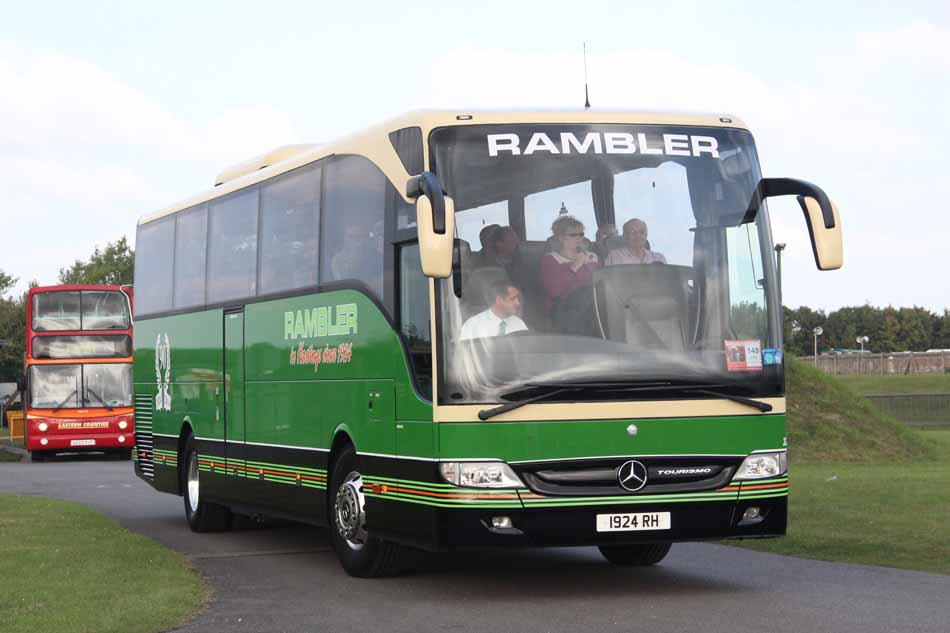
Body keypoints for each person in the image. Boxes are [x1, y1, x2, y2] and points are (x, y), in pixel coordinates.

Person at [540, 215, 600, 312]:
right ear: (561, 238)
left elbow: (601, 284)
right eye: (573, 235)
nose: (579, 238)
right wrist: (576, 265)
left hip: (593, 305)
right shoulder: (551, 259)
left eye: (581, 234)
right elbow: (555, 291)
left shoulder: (592, 257)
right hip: (563, 308)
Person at [459, 280, 528, 340]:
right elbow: (464, 352)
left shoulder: (519, 324)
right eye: (513, 299)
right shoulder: (473, 325)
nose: (518, 303)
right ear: (499, 300)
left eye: (517, 299)